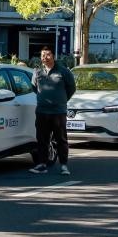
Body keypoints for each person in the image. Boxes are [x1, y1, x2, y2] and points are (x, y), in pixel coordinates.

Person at [29, 45, 77, 176]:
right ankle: (42, 164)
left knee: (61, 139)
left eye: (48, 54)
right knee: (42, 139)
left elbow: (71, 88)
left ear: (53, 56)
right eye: (43, 55)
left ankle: (63, 165)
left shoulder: (63, 71)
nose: (45, 57)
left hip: (58, 112)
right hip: (42, 111)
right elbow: (34, 88)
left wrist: (61, 100)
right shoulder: (37, 72)